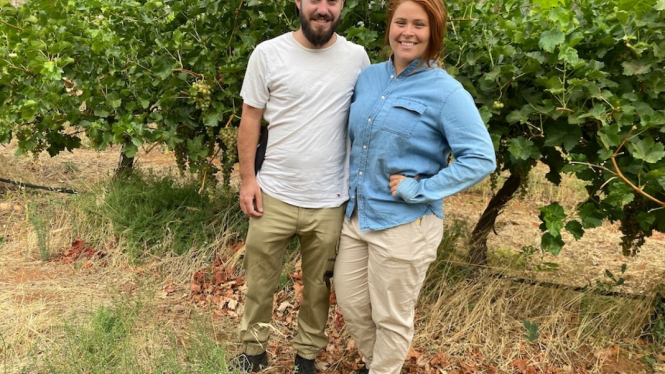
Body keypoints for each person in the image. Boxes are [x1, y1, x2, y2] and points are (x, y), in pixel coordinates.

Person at [333, 0, 496, 372]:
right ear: (389, 27)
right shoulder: (369, 77)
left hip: (405, 225)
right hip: (358, 215)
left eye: (419, 25)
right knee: (352, 303)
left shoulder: (446, 92)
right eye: (401, 22)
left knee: (392, 317)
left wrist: (418, 189)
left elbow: (481, 158)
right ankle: (378, 365)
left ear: (433, 32)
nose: (408, 32)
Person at [231, 0, 370, 372]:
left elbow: (367, 119)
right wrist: (248, 180)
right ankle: (254, 350)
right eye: (314, 0)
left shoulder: (357, 58)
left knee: (319, 287)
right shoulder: (268, 53)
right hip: (272, 192)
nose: (322, 8)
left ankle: (306, 356)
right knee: (259, 280)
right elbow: (250, 117)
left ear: (342, 6)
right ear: (297, 2)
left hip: (329, 199)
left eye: (332, 1)